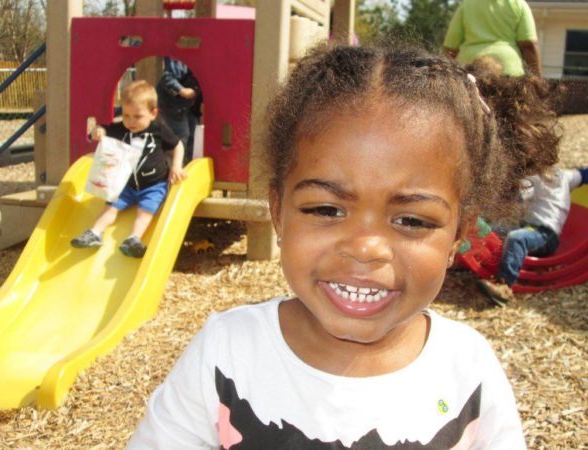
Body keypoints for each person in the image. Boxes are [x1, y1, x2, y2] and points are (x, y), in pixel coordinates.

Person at [126, 45, 560, 449]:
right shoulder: (227, 354)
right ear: (278, 211)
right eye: (326, 210)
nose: (366, 248)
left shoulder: (468, 372)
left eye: (411, 220)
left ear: (458, 234)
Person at [71, 80, 186, 258]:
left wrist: (176, 166)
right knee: (110, 208)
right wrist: (97, 132)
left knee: (145, 211)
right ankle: (95, 233)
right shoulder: (121, 129)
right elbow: (101, 129)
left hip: (153, 185)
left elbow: (177, 145)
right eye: (126, 115)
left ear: (153, 113)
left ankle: (134, 238)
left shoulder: (158, 129)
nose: (130, 121)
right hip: (126, 184)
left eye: (137, 116)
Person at [478, 166, 588, 306]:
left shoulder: (537, 179)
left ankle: (504, 285)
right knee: (496, 230)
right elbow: (584, 175)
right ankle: (475, 255)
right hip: (532, 231)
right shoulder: (564, 176)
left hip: (545, 236)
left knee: (516, 238)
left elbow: (514, 197)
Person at [443, 0, 542, 77]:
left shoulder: (467, 4)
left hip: (468, 71)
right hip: (508, 72)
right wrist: (538, 79)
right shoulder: (518, 3)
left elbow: (450, 48)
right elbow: (528, 45)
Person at [156, 57, 202, 164]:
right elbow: (167, 78)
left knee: (193, 135)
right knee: (181, 136)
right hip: (172, 104)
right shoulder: (182, 60)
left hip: (190, 105)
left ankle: (187, 165)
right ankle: (174, 167)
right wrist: (182, 90)